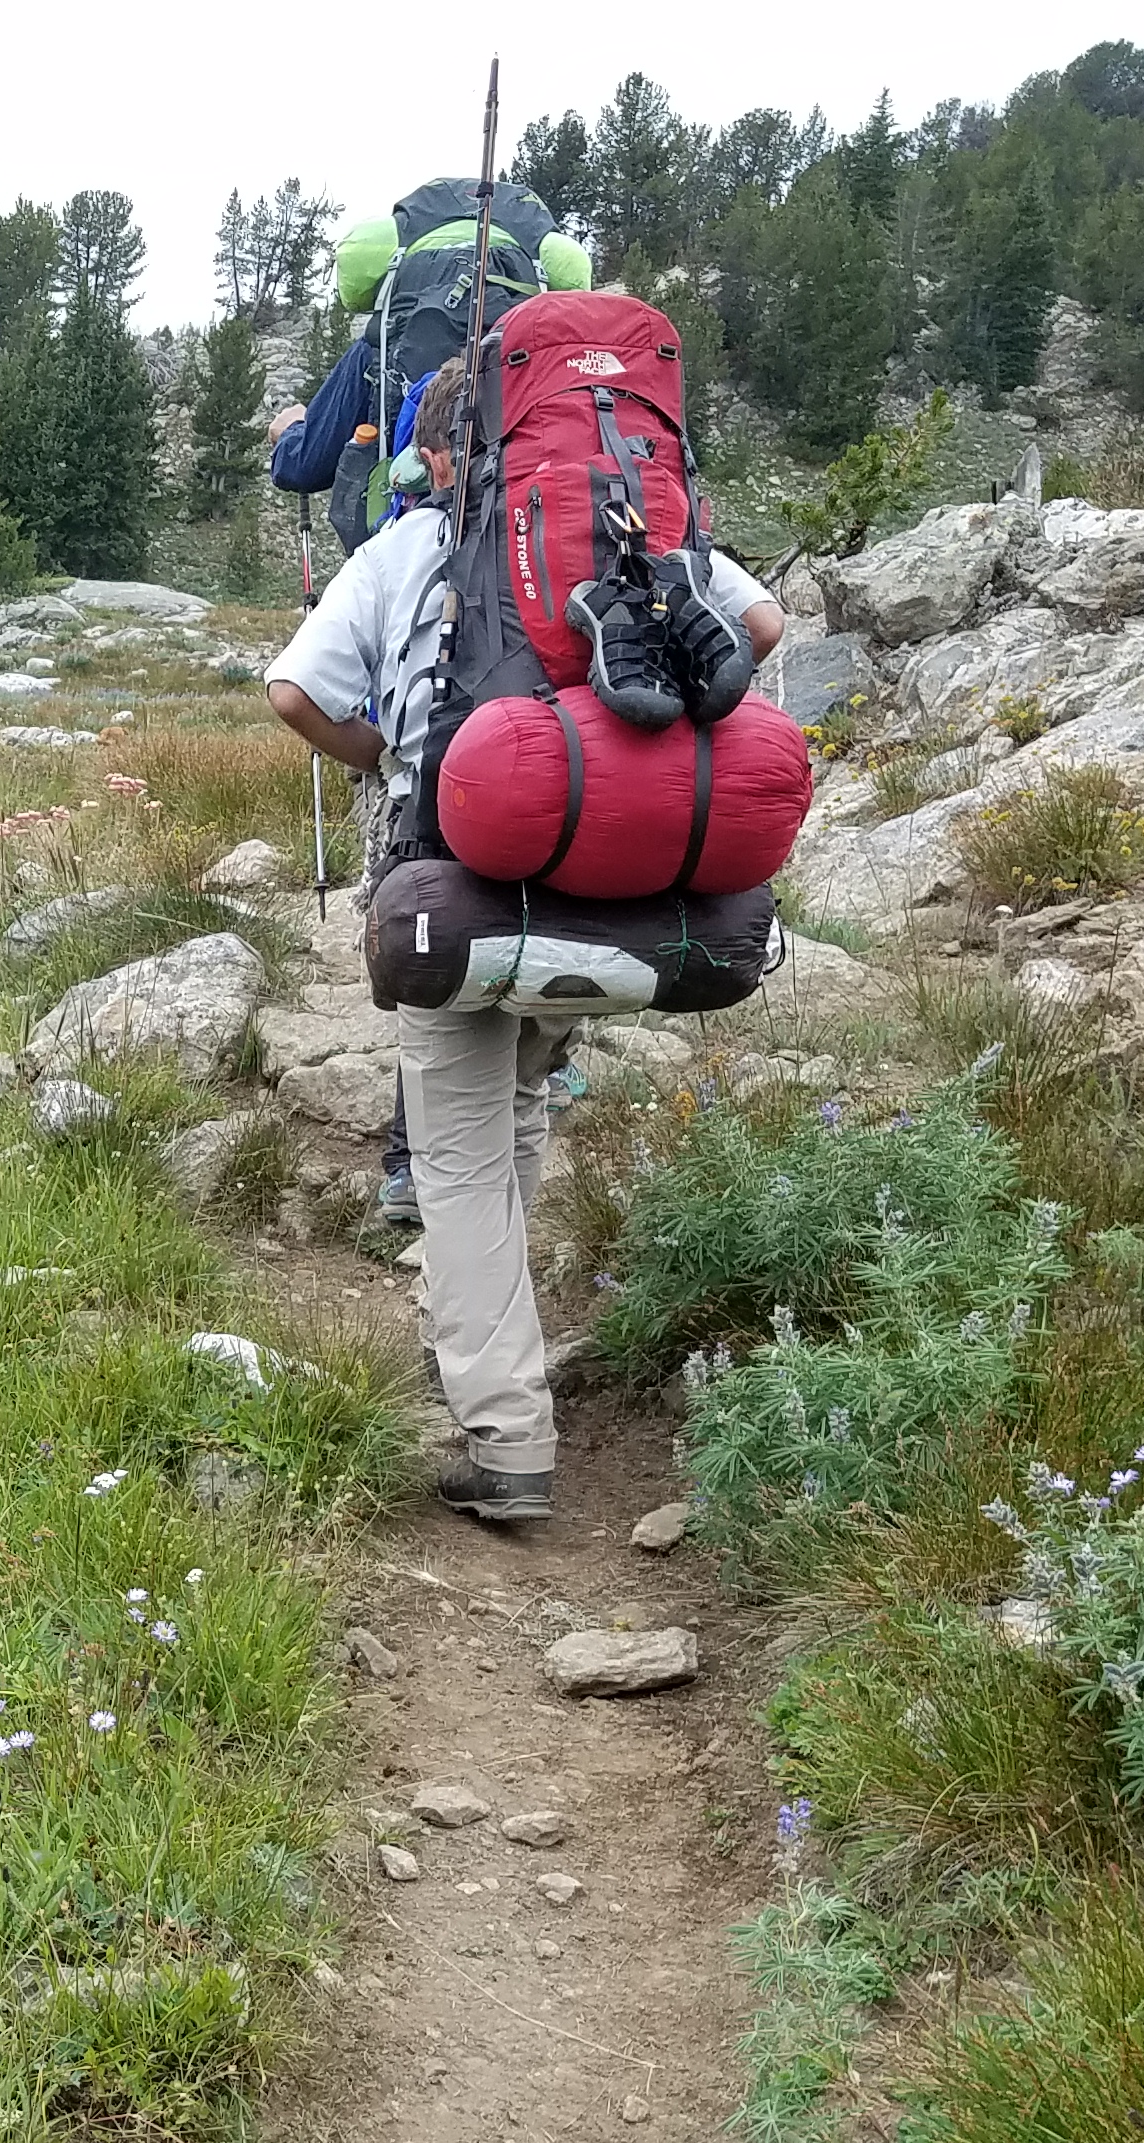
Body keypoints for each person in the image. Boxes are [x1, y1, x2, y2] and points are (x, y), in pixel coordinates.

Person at [260, 384, 785, 1526]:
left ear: (448, 458)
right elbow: (762, 628)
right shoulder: (633, 527)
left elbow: (292, 690)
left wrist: (381, 751)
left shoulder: (409, 546)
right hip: (605, 879)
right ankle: (501, 1330)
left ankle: (506, 1436)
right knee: (525, 1101)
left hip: (454, 887)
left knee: (451, 1158)